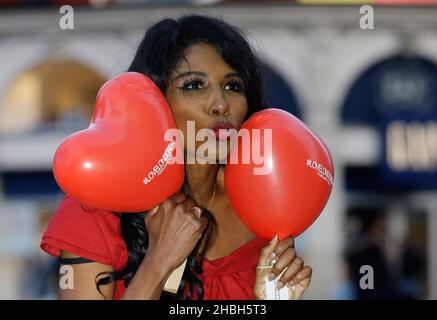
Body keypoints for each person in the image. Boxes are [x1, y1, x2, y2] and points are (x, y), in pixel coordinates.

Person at [41, 14, 312, 300]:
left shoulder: (262, 206)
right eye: (194, 85)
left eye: (233, 86)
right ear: (154, 101)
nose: (220, 104)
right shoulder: (97, 209)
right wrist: (158, 263)